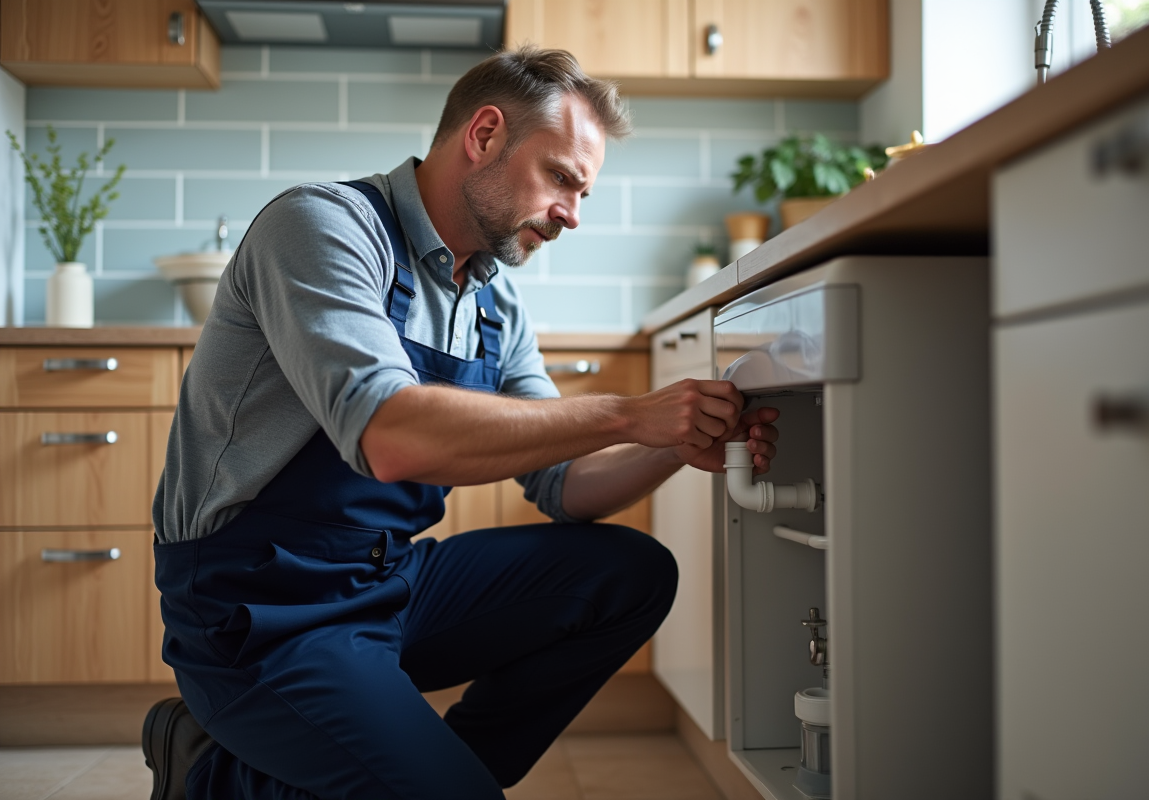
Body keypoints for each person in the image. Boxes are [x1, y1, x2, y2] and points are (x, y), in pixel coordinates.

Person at [142, 46, 780, 800]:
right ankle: (213, 773)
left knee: (631, 574)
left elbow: (564, 488)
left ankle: (422, 774)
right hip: (257, 602)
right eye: (563, 179)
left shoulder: (492, 303)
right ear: (483, 135)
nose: (572, 215)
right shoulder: (323, 227)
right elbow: (391, 434)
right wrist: (625, 413)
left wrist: (673, 441)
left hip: (385, 579)